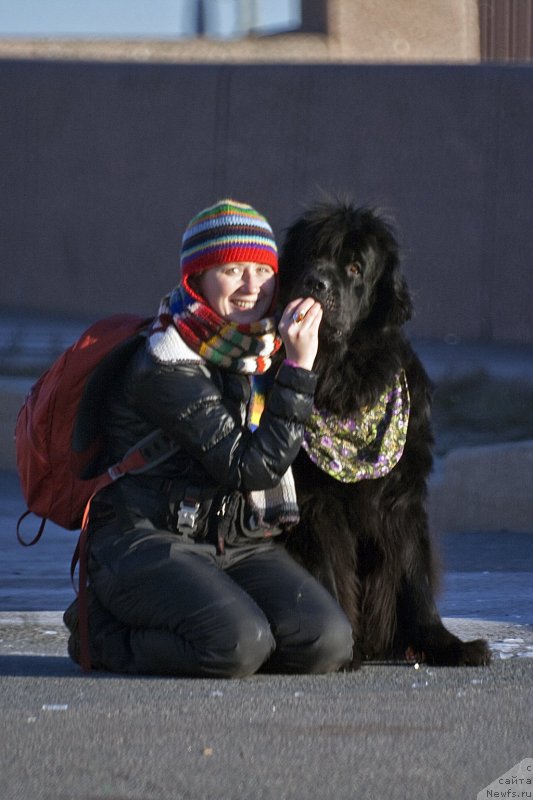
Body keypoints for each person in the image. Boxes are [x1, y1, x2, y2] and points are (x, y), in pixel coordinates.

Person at [64, 198, 353, 677]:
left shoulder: (259, 350)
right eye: (233, 270)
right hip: (143, 540)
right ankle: (99, 632)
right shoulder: (165, 361)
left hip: (233, 540)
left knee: (325, 641)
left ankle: (214, 620)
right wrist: (300, 370)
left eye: (263, 272)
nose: (252, 288)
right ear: (195, 279)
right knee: (236, 645)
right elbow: (251, 468)